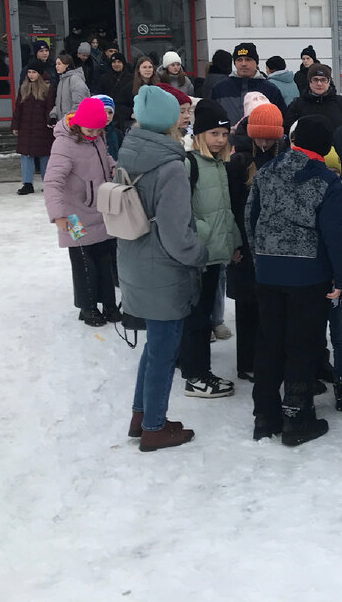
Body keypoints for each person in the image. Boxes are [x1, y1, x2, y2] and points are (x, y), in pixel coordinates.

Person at [244, 116, 342, 446]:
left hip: (267, 271)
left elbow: (251, 218)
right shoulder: (326, 182)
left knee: (268, 342)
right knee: (302, 344)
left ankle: (264, 416)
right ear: (324, 148)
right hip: (308, 275)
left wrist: (261, 259)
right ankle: (297, 417)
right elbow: (335, 235)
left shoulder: (266, 172)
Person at [119, 85, 209, 452]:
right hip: (164, 270)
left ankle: (141, 415)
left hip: (135, 262)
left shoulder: (128, 152)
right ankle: (155, 427)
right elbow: (177, 233)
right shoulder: (171, 166)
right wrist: (199, 253)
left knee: (154, 347)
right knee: (163, 351)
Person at [177, 99, 240, 399]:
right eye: (214, 133)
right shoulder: (189, 164)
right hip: (199, 255)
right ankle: (196, 376)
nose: (220, 140)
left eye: (224, 134)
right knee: (198, 319)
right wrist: (201, 237)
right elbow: (182, 213)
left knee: (201, 316)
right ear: (200, 134)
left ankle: (193, 367)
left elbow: (224, 211)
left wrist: (233, 242)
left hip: (216, 253)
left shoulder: (219, 164)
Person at [43, 97, 117, 327]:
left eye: (99, 129)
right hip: (73, 215)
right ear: (78, 124)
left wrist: (114, 168)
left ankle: (109, 305)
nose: (94, 133)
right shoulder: (64, 144)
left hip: (99, 210)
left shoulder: (97, 137)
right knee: (84, 263)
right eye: (90, 129)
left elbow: (103, 158)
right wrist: (59, 215)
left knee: (104, 259)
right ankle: (88, 308)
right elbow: (53, 182)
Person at [226, 100, 286, 382]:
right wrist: (235, 244)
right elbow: (231, 207)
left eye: (269, 136)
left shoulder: (284, 157)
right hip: (245, 245)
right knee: (247, 306)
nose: (263, 141)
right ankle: (246, 362)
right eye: (258, 135)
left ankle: (272, 356)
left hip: (274, 244)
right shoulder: (238, 162)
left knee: (271, 306)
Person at [209, 41, 285, 125]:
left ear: (256, 62)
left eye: (248, 59)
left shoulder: (270, 89)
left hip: (258, 137)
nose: (243, 64)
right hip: (228, 137)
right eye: (239, 60)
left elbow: (281, 119)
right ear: (234, 63)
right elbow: (211, 117)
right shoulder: (220, 88)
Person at [12, 62, 55, 195]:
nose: (31, 75)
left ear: (40, 74)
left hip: (42, 128)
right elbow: (18, 108)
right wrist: (15, 125)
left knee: (44, 156)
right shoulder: (23, 88)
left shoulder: (47, 88)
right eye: (29, 72)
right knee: (26, 155)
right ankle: (27, 183)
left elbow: (49, 108)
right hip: (26, 127)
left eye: (34, 72)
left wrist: (50, 122)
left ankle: (47, 182)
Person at [283, 63, 342, 138]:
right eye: (315, 79)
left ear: (329, 81)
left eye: (323, 80)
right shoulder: (298, 104)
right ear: (309, 81)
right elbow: (288, 129)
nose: (319, 83)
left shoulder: (341, 102)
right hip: (306, 148)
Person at [96, 52, 134, 131]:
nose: (116, 64)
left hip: (126, 115)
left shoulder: (131, 78)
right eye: (114, 62)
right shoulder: (104, 78)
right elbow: (99, 95)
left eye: (119, 62)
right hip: (109, 114)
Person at [51, 53, 89, 125]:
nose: (56, 66)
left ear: (67, 65)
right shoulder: (62, 80)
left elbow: (80, 103)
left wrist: (71, 119)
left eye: (59, 64)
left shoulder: (75, 79)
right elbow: (59, 104)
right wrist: (53, 116)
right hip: (63, 123)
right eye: (56, 64)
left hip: (74, 124)